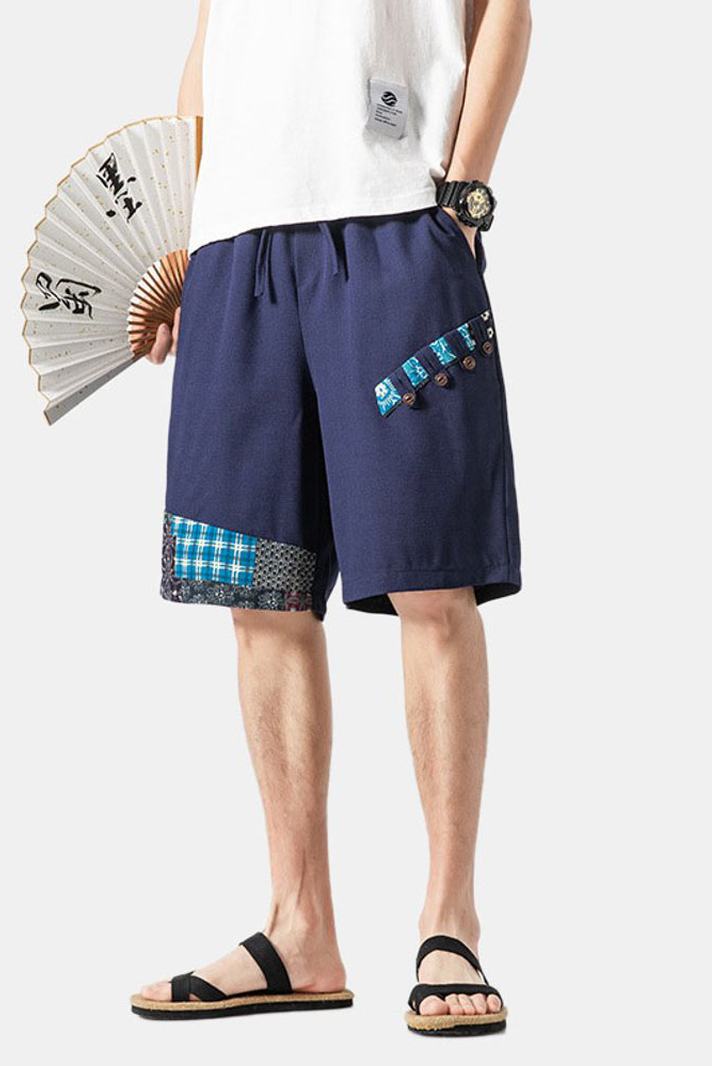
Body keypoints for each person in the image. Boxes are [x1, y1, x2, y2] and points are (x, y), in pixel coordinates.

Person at [130, 0, 531, 1037]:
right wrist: (177, 241)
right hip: (234, 244)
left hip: (397, 221)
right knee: (258, 595)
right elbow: (212, 38)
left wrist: (464, 198)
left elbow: (504, 9)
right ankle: (298, 927)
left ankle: (449, 920)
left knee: (431, 579)